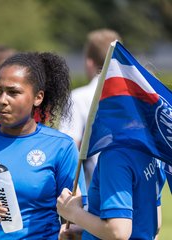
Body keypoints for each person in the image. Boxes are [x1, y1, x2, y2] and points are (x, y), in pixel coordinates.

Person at [0, 52, 87, 239]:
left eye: (13, 92)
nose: (3, 100)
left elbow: (77, 218)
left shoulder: (61, 146)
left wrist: (71, 231)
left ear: (38, 97)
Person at [58, 28, 122, 188]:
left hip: (95, 193)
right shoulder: (131, 95)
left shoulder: (79, 98)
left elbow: (68, 148)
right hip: (133, 187)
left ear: (89, 62)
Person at [57, 148, 165, 239]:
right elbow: (156, 223)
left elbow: (118, 232)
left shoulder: (115, 156)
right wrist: (86, 230)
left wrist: (73, 213)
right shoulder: (149, 148)